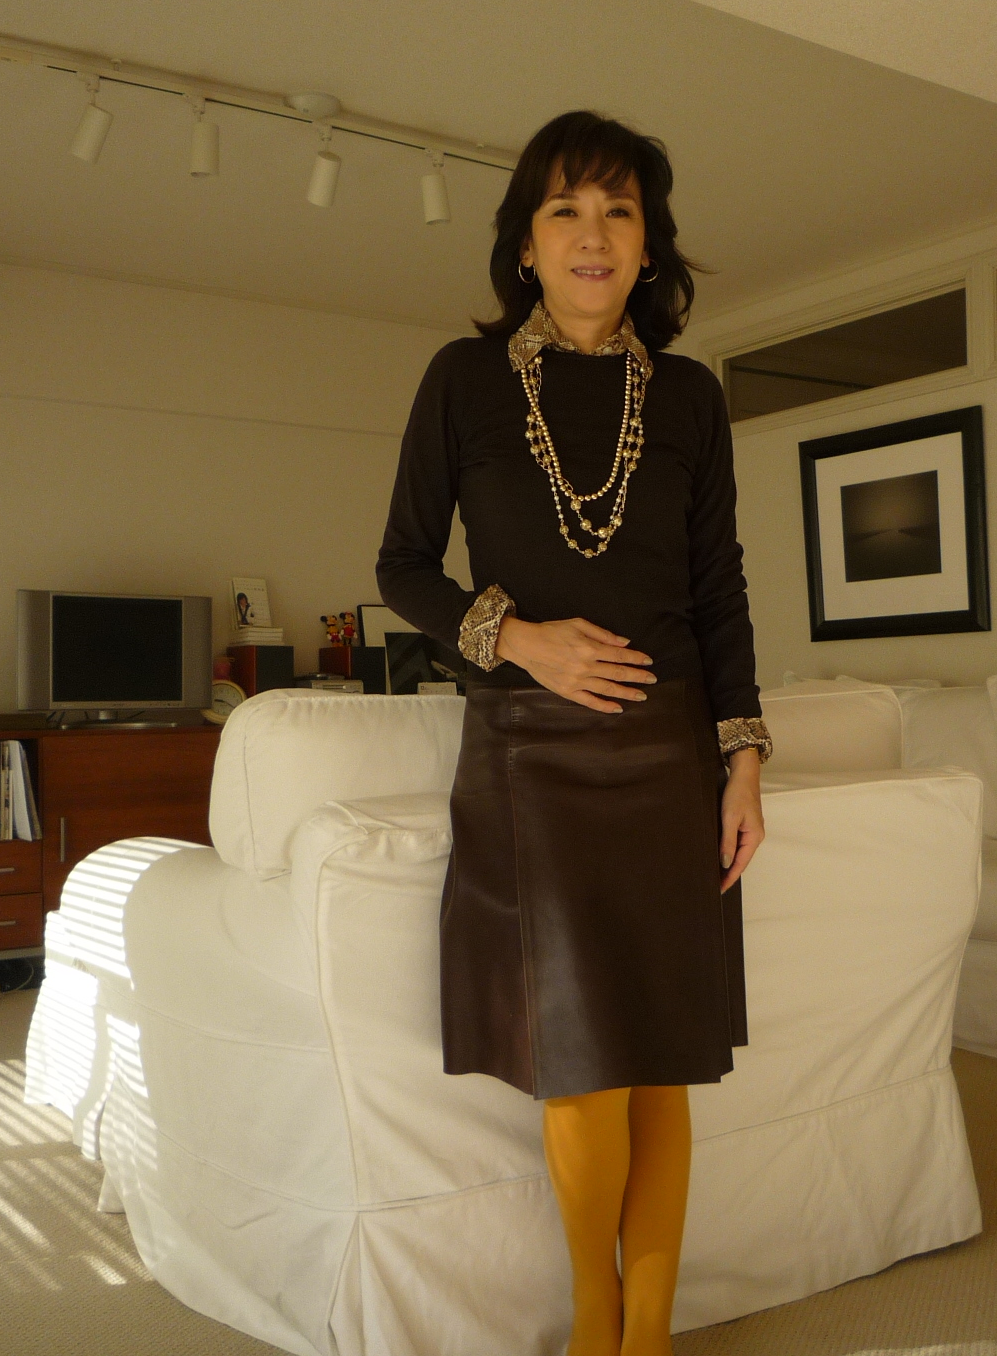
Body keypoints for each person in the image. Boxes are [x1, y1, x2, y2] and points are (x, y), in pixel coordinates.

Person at [376, 109, 770, 1356]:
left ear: (648, 245)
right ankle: (593, 1315)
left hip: (669, 760)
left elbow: (718, 590)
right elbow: (401, 566)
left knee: (661, 1059)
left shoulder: (692, 396)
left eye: (617, 211)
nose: (591, 235)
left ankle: (645, 1334)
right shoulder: (462, 379)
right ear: (525, 244)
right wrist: (518, 638)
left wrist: (743, 759)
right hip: (527, 760)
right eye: (564, 210)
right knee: (583, 1063)